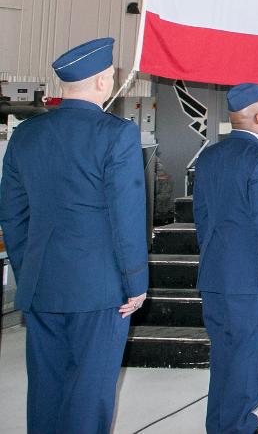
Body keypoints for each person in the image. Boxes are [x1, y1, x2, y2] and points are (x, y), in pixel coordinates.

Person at [0, 38, 148, 434]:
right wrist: (135, 282)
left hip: (42, 284)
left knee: (46, 390)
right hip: (100, 291)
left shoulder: (25, 135)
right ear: (103, 81)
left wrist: (29, 267)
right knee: (90, 394)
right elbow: (127, 216)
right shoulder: (117, 135)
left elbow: (13, 216)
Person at [193, 83, 258, 434]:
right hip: (250, 277)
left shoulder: (210, 155)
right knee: (247, 354)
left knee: (225, 353)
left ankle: (220, 423)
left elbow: (201, 217)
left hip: (216, 272)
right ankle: (238, 426)